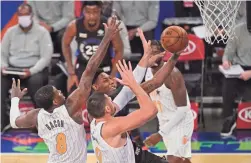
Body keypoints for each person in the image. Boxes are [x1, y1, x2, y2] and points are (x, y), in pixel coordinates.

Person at [9, 15, 121, 163]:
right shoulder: (70, 108)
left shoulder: (36, 115)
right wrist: (106, 39)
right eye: (58, 92)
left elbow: (14, 122)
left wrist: (15, 100)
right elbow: (90, 70)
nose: (62, 92)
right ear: (55, 101)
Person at [89, 31, 182, 163]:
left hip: (132, 153)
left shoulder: (99, 110)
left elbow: (151, 83)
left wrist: (171, 57)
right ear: (95, 87)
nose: (111, 81)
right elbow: (148, 109)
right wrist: (132, 82)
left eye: (110, 77)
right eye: (105, 81)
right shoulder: (106, 120)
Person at [88, 60, 168, 163]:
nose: (113, 101)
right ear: (107, 109)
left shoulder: (95, 120)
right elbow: (151, 111)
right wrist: (133, 84)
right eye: (110, 100)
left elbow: (125, 94)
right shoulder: (112, 127)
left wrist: (145, 59)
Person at [1, 3, 53, 130]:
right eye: (20, 15)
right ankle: (2, 122)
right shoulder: (10, 32)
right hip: (12, 69)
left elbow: (46, 57)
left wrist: (32, 71)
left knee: (36, 82)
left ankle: (39, 123)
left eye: (26, 15)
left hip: (33, 69)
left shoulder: (42, 32)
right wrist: (3, 66)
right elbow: (1, 53)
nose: (23, 18)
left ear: (31, 16)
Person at [143, 41, 193, 163]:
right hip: (164, 121)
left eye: (155, 53)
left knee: (173, 159)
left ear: (162, 53)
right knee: (183, 160)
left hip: (180, 122)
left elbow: (182, 110)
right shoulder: (147, 72)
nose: (151, 57)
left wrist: (160, 134)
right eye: (148, 54)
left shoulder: (173, 74)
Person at [62, 1, 123, 94]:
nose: (91, 16)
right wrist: (71, 72)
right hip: (83, 67)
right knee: (73, 92)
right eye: (88, 12)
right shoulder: (74, 25)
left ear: (100, 11)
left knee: (111, 95)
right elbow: (65, 44)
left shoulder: (108, 25)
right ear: (82, 12)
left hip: (104, 68)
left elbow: (119, 50)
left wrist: (113, 75)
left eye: (95, 12)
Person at [221, 22, 251, 137]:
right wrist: (226, 61)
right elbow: (228, 52)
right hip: (240, 68)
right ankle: (229, 118)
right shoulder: (238, 30)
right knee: (228, 82)